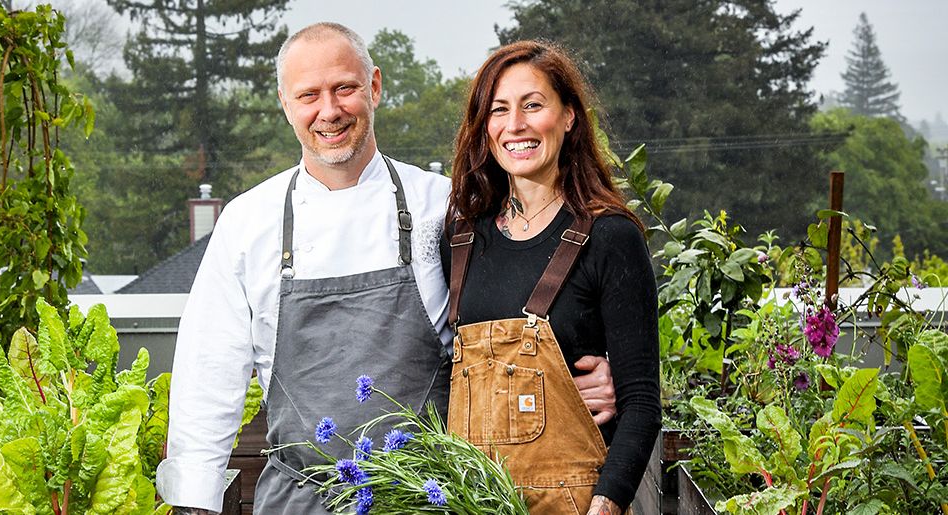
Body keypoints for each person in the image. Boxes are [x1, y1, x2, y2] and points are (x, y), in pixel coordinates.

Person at [156, 24, 618, 514]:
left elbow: (519, 317)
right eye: (308, 95)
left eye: (344, 88)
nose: (329, 111)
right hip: (299, 499)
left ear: (374, 87)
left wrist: (576, 379)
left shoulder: (446, 207)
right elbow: (207, 377)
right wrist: (194, 501)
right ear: (284, 103)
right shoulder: (247, 223)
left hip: (431, 498)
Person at [441, 40, 661, 515]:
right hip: (473, 502)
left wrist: (605, 507)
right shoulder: (460, 239)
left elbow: (642, 404)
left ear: (569, 117)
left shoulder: (610, 237)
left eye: (533, 105)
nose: (515, 125)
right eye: (499, 110)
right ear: (484, 127)